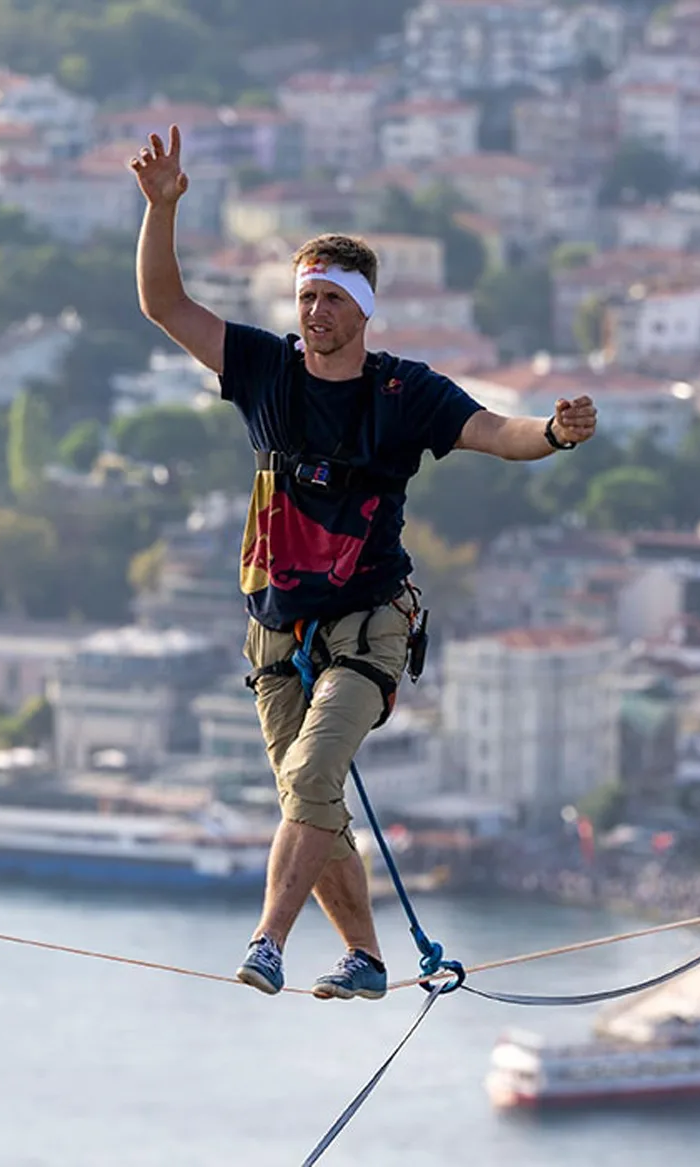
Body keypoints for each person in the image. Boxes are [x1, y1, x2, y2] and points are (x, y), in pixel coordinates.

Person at [129, 126, 598, 1001]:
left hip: (367, 626)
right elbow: (165, 304)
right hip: (273, 631)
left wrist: (555, 433)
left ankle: (268, 941)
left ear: (363, 310)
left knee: (311, 778)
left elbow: (497, 433)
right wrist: (162, 211)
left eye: (331, 299)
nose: (314, 312)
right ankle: (368, 958)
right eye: (306, 296)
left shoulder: (403, 393)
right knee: (311, 806)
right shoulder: (264, 370)